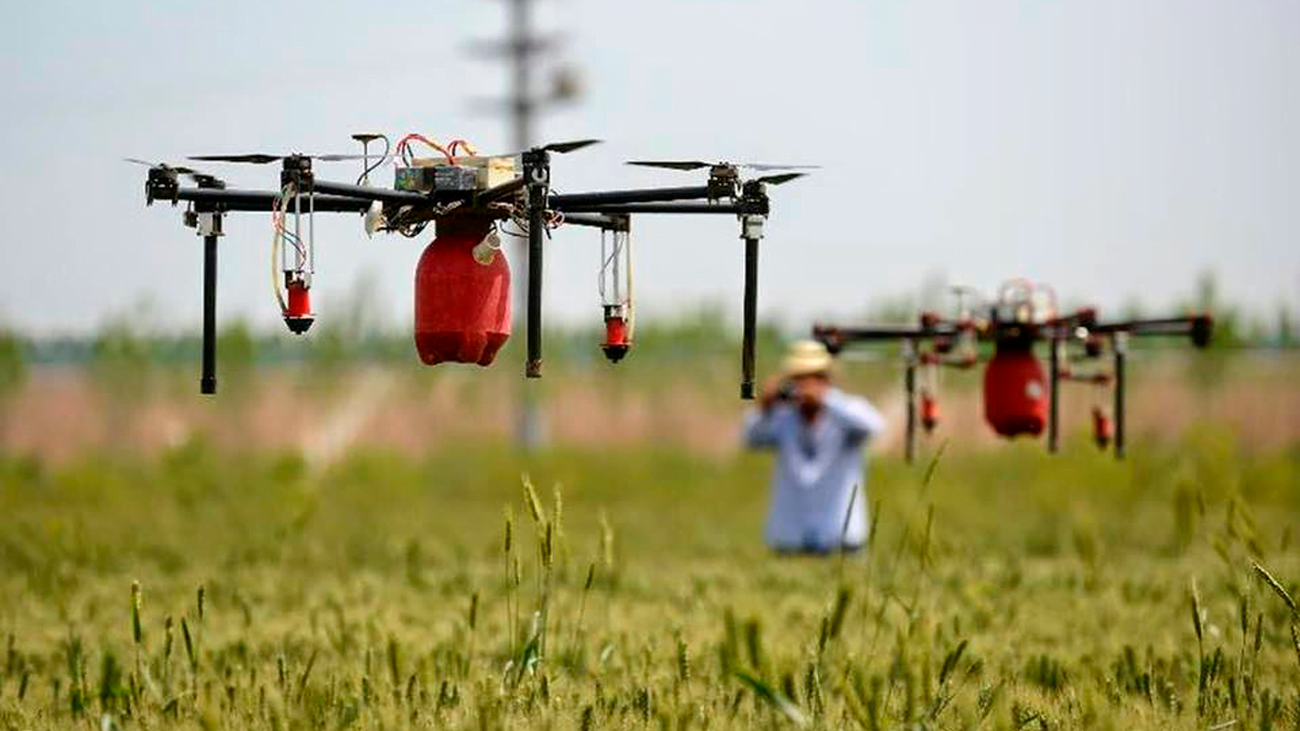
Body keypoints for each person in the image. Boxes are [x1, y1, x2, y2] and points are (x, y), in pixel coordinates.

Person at [742, 339, 886, 555]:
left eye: (812, 378)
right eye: (798, 379)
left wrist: (824, 398)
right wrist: (765, 407)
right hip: (791, 539)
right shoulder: (782, 418)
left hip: (841, 538)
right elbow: (750, 437)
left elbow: (873, 425)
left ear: (826, 379)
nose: (804, 387)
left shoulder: (845, 412)